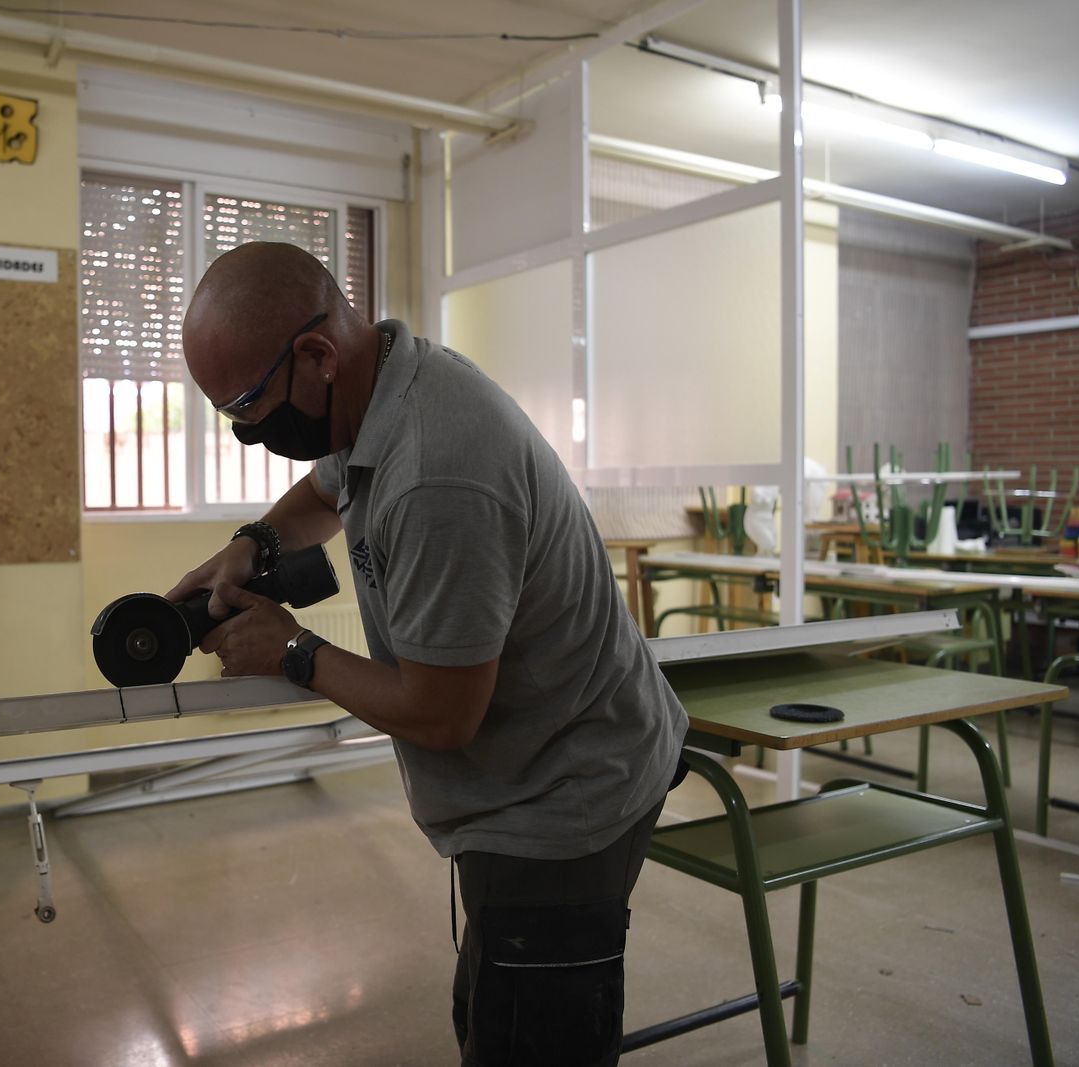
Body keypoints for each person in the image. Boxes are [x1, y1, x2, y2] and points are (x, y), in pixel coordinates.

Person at [167, 241, 688, 1066]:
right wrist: (254, 541)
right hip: (521, 773)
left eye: (250, 409)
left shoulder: (440, 476)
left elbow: (443, 714)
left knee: (530, 1036)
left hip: (566, 792)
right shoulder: (379, 387)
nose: (247, 433)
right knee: (491, 1005)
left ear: (316, 354)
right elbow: (328, 485)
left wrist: (292, 647)